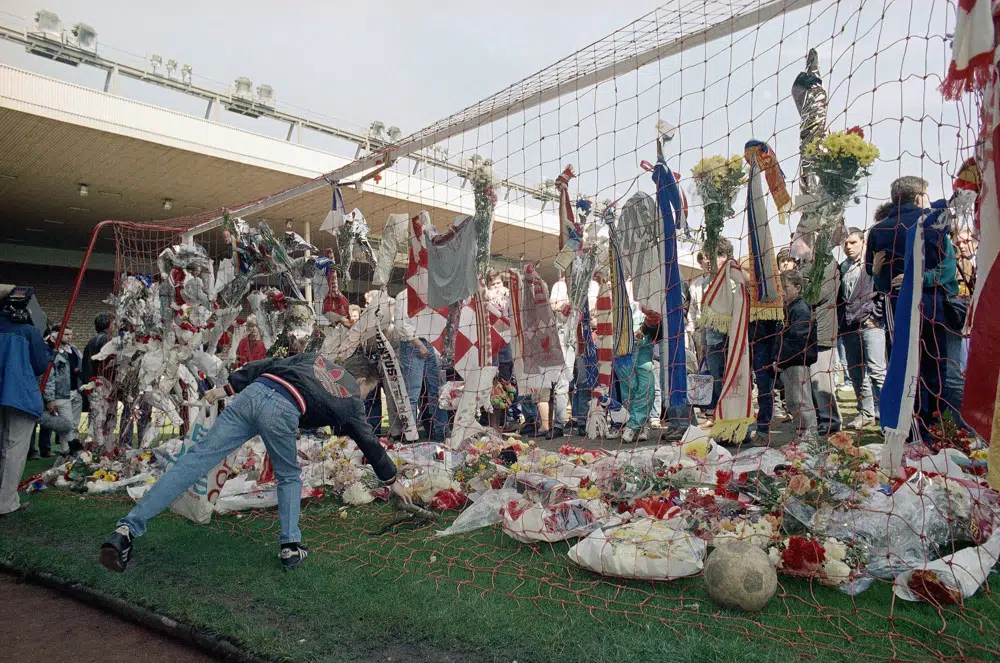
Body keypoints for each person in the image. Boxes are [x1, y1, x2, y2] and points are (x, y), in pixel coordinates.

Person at [100, 351, 410, 572]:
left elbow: (270, 363)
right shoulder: (351, 395)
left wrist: (228, 387)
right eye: (367, 390)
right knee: (289, 477)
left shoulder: (314, 358)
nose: (364, 396)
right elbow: (368, 441)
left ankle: (125, 530)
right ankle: (290, 547)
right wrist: (392, 480)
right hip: (283, 409)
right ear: (361, 379)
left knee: (193, 462)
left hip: (253, 394)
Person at [866, 176, 961, 433]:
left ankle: (908, 428)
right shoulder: (933, 222)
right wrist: (922, 277)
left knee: (903, 366)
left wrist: (885, 276)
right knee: (935, 365)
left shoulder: (878, 230)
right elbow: (948, 268)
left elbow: (874, 272)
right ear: (919, 196)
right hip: (931, 304)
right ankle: (938, 427)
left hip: (898, 305)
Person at [0, 286, 51, 516]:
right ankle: (5, 502)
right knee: (13, 449)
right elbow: (40, 364)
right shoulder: (28, 332)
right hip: (19, 396)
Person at [838, 226, 886, 429]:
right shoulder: (842, 268)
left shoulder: (872, 265)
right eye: (845, 243)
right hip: (849, 327)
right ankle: (865, 413)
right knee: (857, 373)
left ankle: (887, 414)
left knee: (877, 372)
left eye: (853, 242)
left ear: (863, 243)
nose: (848, 247)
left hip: (870, 324)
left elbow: (883, 291)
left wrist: (876, 317)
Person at [391, 289, 447, 441]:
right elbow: (401, 325)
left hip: (429, 343)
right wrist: (418, 344)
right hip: (412, 344)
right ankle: (409, 433)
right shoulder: (404, 296)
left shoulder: (430, 295)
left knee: (437, 389)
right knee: (412, 392)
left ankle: (440, 431)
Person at [774, 271, 818, 442]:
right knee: (792, 401)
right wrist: (776, 359)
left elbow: (798, 339)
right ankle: (800, 432)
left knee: (802, 400)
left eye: (785, 287)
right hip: (787, 363)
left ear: (798, 288)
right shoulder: (787, 308)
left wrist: (781, 358)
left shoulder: (800, 309)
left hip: (798, 362)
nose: (782, 292)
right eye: (780, 288)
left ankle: (811, 435)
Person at [703, 239, 735, 416]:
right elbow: (704, 315)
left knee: (728, 379)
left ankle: (729, 414)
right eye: (707, 257)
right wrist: (703, 341)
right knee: (715, 378)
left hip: (729, 340)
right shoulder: (706, 282)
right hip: (712, 340)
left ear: (724, 257)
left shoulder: (733, 280)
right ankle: (718, 412)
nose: (708, 261)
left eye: (712, 256)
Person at [620, 312, 661, 444]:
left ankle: (634, 425)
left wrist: (644, 328)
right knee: (629, 388)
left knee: (647, 385)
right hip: (622, 345)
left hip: (644, 345)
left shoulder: (645, 296)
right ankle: (638, 426)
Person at [42, 328, 82, 455]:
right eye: (66, 334)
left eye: (71, 334)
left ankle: (71, 452)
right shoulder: (53, 351)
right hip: (61, 393)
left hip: (76, 390)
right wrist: (49, 398)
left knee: (74, 424)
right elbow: (49, 375)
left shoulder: (74, 350)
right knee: (67, 425)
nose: (69, 337)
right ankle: (67, 452)